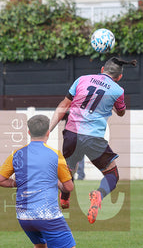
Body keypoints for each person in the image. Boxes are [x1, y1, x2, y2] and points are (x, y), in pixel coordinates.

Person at [0, 114, 75, 248]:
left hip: (24, 215)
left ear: (28, 132)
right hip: (47, 213)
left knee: (39, 245)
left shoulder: (17, 153)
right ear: (48, 133)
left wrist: (17, 184)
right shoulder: (55, 154)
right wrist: (59, 186)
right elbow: (68, 186)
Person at [49, 56, 136, 223]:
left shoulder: (81, 80)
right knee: (112, 174)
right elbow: (121, 112)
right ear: (119, 77)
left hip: (71, 134)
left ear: (102, 70)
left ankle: (64, 198)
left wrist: (48, 130)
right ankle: (99, 194)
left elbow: (63, 105)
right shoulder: (118, 90)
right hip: (93, 137)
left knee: (69, 172)